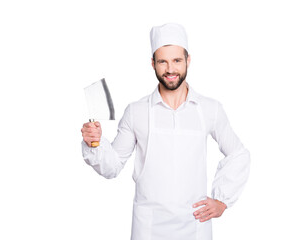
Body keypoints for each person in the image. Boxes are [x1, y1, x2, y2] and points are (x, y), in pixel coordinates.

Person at [81, 23, 250, 240]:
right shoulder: (136, 111)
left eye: (177, 60)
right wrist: (94, 143)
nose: (170, 69)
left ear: (188, 60)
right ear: (153, 63)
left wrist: (222, 201)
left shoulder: (210, 109)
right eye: (163, 61)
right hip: (148, 228)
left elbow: (238, 153)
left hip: (195, 225)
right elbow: (111, 167)